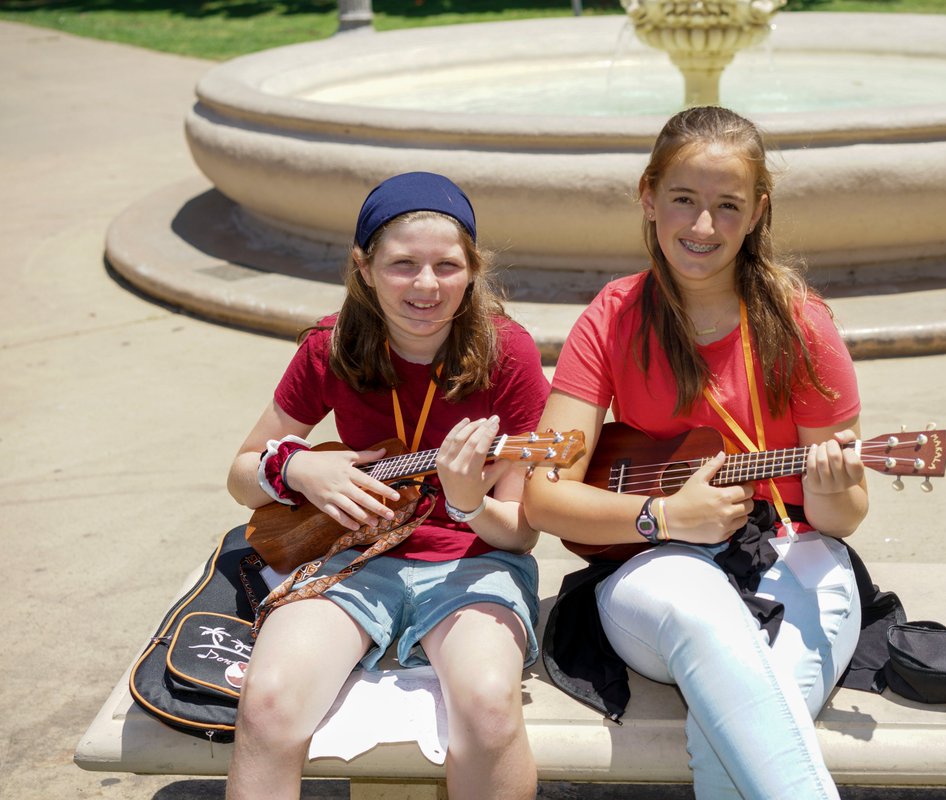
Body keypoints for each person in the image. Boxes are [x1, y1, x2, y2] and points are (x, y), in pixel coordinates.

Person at [524, 106, 867, 799]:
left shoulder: (802, 322)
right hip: (654, 566)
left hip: (792, 553)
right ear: (648, 197)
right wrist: (667, 517)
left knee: (738, 737)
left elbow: (844, 517)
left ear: (757, 211)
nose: (703, 227)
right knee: (699, 610)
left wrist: (833, 483)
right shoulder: (613, 317)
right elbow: (542, 492)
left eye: (727, 206)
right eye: (684, 199)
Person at [225, 172, 549, 800]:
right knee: (266, 704)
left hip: (472, 561)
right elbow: (241, 477)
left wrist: (467, 502)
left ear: (472, 271)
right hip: (353, 556)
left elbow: (521, 530)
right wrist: (296, 467)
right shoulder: (331, 345)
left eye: (446, 266)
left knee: (487, 708)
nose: (426, 285)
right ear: (364, 268)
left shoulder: (508, 353)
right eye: (403, 264)